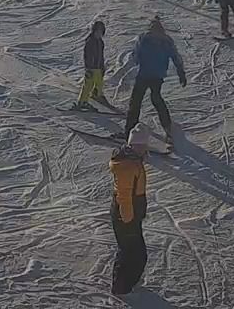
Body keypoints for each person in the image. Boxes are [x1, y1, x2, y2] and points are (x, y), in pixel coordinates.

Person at [124, 17, 186, 150]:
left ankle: (167, 128)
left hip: (154, 75)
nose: (155, 35)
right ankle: (129, 130)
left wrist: (181, 71)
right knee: (137, 100)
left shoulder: (165, 41)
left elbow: (175, 56)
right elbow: (136, 53)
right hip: (146, 74)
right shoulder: (146, 39)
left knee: (153, 99)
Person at [109, 123, 150, 296]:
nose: (147, 149)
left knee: (131, 251)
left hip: (130, 213)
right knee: (134, 253)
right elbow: (124, 195)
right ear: (137, 145)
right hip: (126, 215)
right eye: (144, 146)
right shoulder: (128, 165)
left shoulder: (132, 160)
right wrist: (128, 219)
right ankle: (120, 288)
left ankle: (124, 285)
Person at [74, 21, 114, 111]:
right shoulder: (90, 41)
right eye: (97, 32)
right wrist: (88, 68)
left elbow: (101, 55)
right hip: (91, 68)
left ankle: (97, 95)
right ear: (94, 31)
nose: (99, 34)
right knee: (88, 84)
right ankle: (82, 101)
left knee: (99, 82)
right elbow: (87, 55)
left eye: (101, 32)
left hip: (98, 67)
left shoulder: (100, 42)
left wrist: (102, 67)